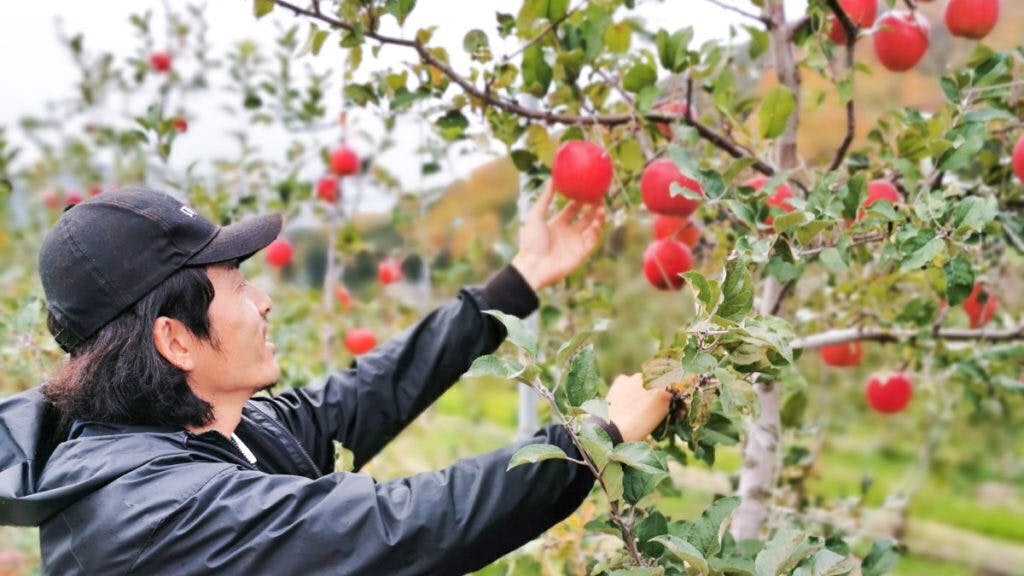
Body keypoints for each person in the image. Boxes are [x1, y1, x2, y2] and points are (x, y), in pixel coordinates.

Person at [0, 185, 672, 575]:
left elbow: (362, 396)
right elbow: (399, 526)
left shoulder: (208, 431)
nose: (262, 301)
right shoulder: (148, 512)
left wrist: (514, 285)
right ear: (175, 339)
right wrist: (596, 438)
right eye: (236, 285)